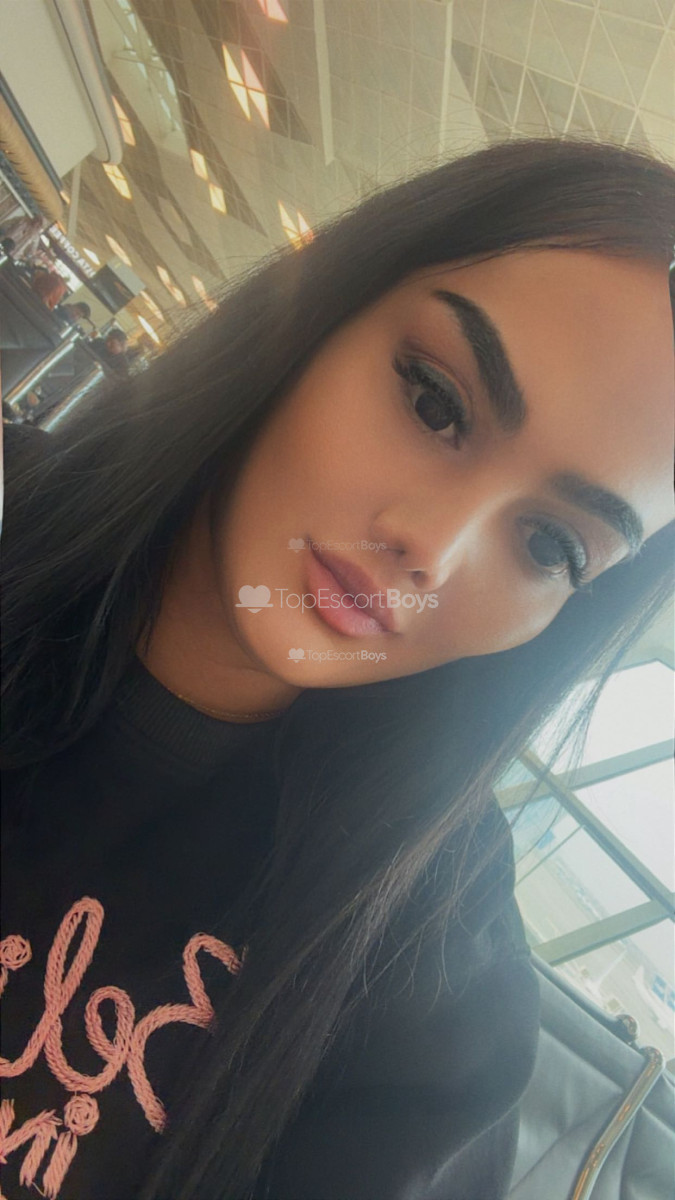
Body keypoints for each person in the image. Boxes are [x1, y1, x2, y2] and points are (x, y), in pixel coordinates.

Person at [1, 138, 673, 1200]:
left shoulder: (433, 991)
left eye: (550, 546)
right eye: (435, 402)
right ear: (320, 312)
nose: (432, 547)